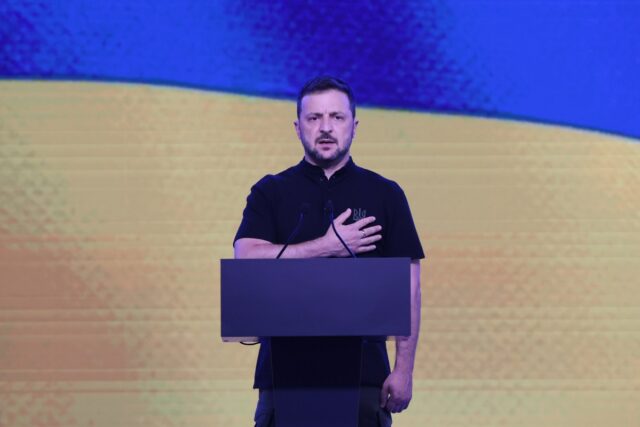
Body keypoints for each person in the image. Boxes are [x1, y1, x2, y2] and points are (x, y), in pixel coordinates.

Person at [234, 76, 424, 426]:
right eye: (314, 118)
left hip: (364, 378)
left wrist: (404, 369)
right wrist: (326, 246)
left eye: (336, 117)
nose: (325, 128)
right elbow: (246, 258)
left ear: (354, 125)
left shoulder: (385, 194)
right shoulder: (270, 191)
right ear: (297, 127)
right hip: (283, 378)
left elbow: (408, 287)